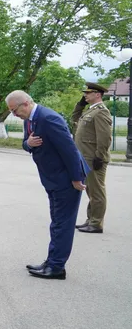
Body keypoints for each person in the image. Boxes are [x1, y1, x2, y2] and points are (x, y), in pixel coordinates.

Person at [6, 90, 90, 280]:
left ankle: (56, 267)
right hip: (53, 179)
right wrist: (28, 143)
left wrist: (77, 178)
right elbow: (26, 144)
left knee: (62, 224)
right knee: (57, 222)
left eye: (14, 110)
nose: (14, 115)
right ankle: (52, 261)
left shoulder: (49, 118)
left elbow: (69, 150)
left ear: (25, 103)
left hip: (66, 180)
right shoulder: (30, 119)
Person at [71, 82, 113, 234]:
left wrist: (99, 157)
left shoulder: (101, 112)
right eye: (85, 93)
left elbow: (104, 138)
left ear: (98, 94)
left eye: (88, 93)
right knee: (91, 191)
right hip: (85, 157)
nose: (85, 95)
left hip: (94, 158)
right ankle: (91, 220)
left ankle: (96, 223)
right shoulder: (90, 111)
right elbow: (74, 120)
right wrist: (79, 105)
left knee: (96, 192)